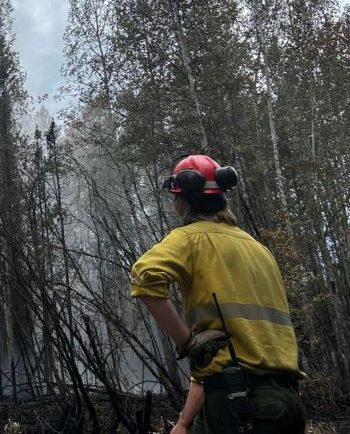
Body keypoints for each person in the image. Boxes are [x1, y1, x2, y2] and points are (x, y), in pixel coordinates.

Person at [131, 154, 306, 434]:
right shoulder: (260, 250)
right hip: (287, 402)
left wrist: (187, 342)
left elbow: (145, 278)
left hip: (239, 404)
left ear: (182, 201)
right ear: (222, 197)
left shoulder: (189, 238)